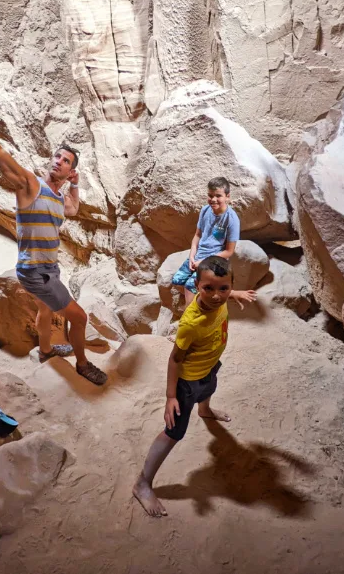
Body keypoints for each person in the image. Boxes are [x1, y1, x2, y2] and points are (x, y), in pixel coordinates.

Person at [0, 78, 107, 386]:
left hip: (48, 268)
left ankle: (45, 350)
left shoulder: (59, 197)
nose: (58, 161)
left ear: (70, 170)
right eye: (57, 156)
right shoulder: (30, 184)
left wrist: (76, 183)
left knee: (45, 310)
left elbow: (71, 209)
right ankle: (83, 364)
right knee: (79, 318)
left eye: (66, 161)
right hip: (35, 271)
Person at [133, 255, 253, 517]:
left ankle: (205, 410)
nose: (217, 296)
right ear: (197, 286)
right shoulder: (191, 323)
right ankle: (143, 483)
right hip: (187, 381)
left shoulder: (221, 298)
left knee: (209, 388)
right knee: (173, 432)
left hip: (209, 365)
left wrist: (237, 294)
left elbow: (222, 293)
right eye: (208, 288)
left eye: (224, 288)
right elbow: (175, 358)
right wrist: (170, 396)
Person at [171, 177, 241, 306]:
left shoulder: (231, 219)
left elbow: (229, 251)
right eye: (210, 195)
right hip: (198, 256)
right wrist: (192, 256)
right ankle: (200, 300)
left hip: (214, 260)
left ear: (227, 196)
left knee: (190, 285)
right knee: (177, 281)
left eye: (218, 196)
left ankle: (192, 312)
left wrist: (202, 262)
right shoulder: (205, 210)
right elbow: (197, 235)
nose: (213, 199)